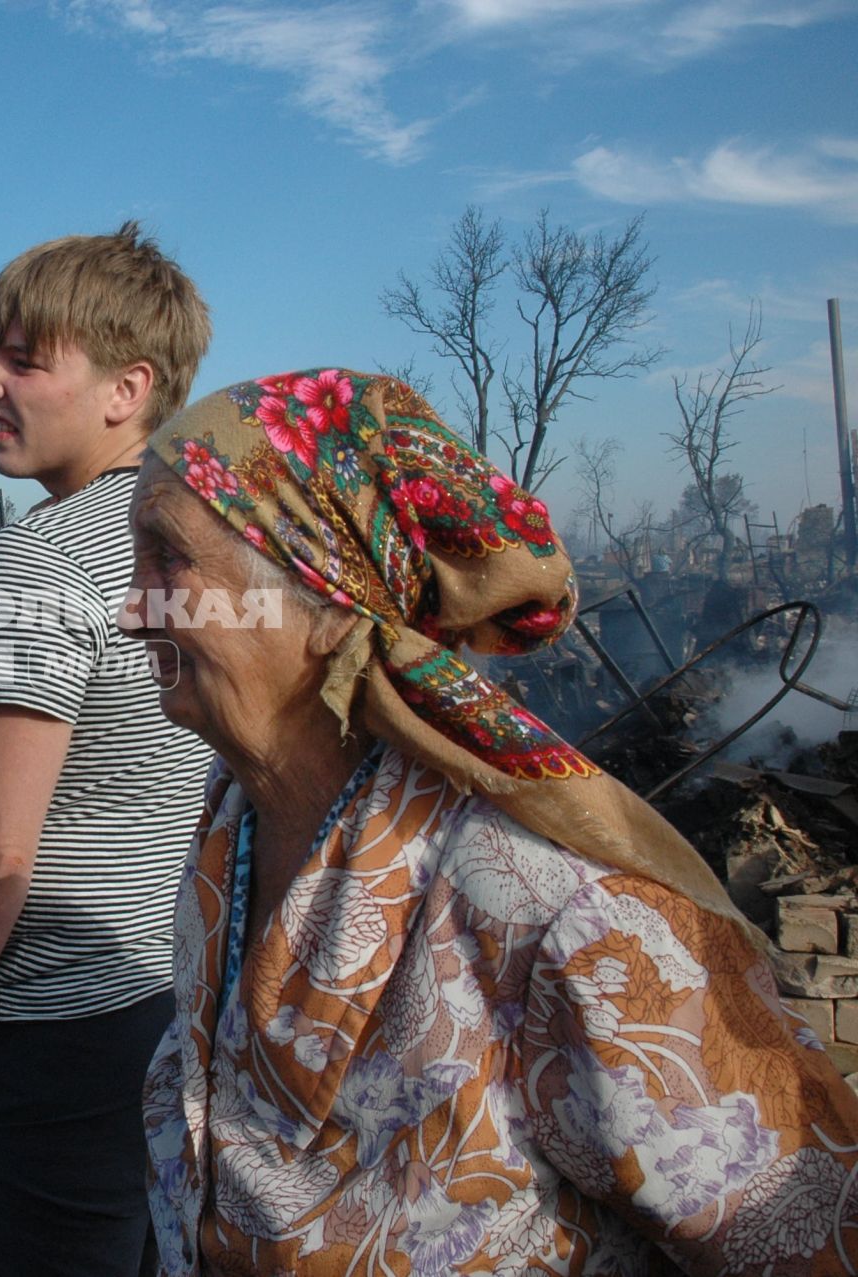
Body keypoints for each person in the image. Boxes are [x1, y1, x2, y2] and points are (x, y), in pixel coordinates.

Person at [120, 368, 858, 1274]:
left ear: (321, 606)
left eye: (168, 560)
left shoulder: (560, 920)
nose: (131, 609)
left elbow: (812, 1240)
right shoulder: (230, 831)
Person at [0, 223, 213, 1277]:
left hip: (40, 1041)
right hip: (171, 1005)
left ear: (127, 388)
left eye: (24, 359)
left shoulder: (42, 551)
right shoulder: (211, 529)